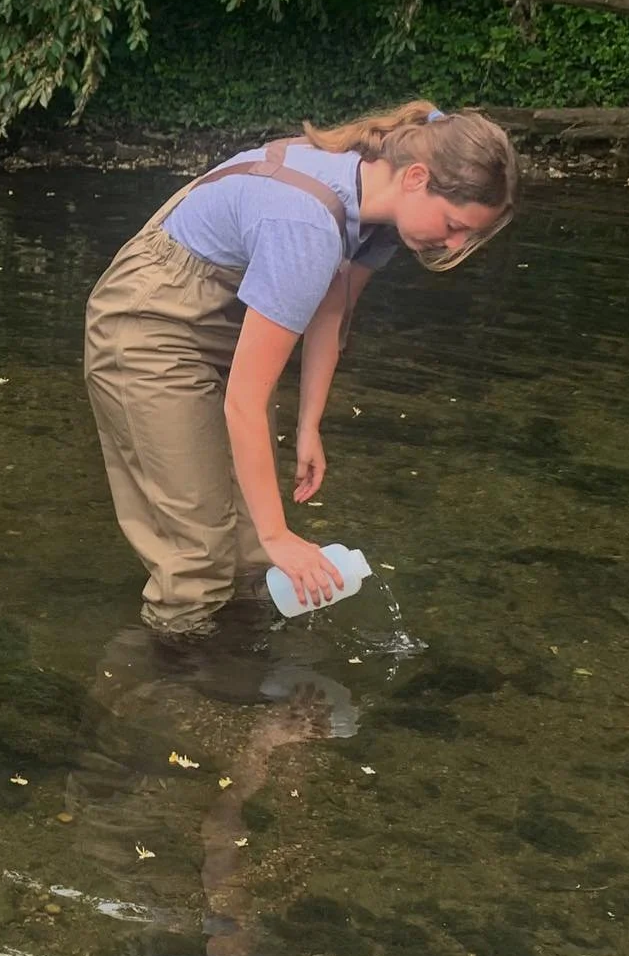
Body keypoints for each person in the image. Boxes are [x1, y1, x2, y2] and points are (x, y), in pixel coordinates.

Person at [84, 100, 517, 636]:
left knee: (250, 557)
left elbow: (332, 312)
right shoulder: (306, 225)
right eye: (454, 225)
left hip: (219, 324)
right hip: (149, 324)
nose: (455, 247)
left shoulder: (378, 207)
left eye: (467, 237)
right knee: (197, 558)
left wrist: (310, 424)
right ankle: (168, 705)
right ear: (417, 177)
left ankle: (238, 686)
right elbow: (244, 401)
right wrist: (280, 533)